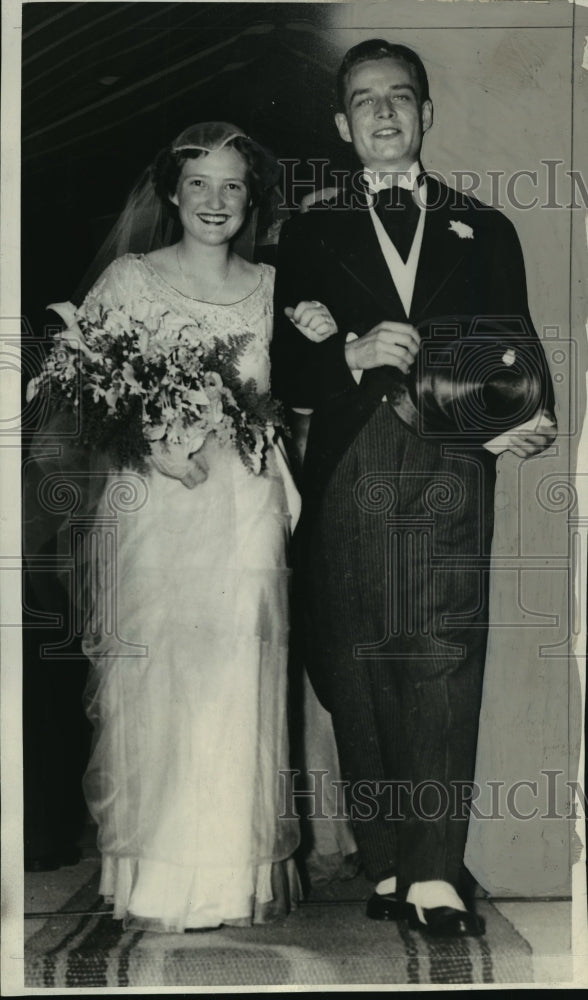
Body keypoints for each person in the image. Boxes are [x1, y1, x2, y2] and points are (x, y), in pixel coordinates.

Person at [271, 40, 557, 938]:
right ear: (341, 125)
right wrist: (345, 354)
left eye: (402, 98)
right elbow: (281, 365)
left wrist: (523, 419)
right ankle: (390, 859)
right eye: (365, 101)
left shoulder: (488, 228)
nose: (384, 114)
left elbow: (520, 357)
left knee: (441, 650)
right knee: (357, 656)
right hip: (350, 460)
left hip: (450, 462)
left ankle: (435, 872)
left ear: (427, 114)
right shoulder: (308, 233)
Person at [38, 122, 301, 932]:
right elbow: (79, 396)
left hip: (242, 508)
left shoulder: (270, 287)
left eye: (232, 186)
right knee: (157, 681)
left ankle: (225, 879)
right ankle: (153, 878)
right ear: (172, 194)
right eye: (199, 185)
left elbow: (292, 396)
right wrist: (150, 445)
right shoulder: (129, 279)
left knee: (233, 681)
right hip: (156, 509)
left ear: (249, 197)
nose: (215, 201)